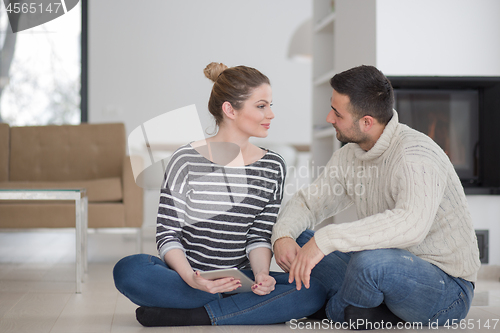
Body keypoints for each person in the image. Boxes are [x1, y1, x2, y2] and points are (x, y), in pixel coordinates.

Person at [113, 62, 326, 326]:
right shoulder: (185, 159)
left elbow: (258, 234)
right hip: (185, 277)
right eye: (261, 106)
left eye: (270, 105)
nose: (270, 114)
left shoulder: (273, 166)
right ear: (229, 109)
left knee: (312, 290)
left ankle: (196, 314)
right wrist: (192, 278)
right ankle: (237, 308)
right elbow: (168, 233)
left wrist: (261, 274)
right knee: (128, 270)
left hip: (239, 280)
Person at [272, 65, 480, 329]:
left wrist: (327, 239)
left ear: (366, 122)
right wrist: (283, 235)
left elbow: (410, 224)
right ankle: (361, 309)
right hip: (379, 268)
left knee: (369, 262)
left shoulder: (414, 154)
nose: (329, 118)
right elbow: (309, 202)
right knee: (301, 238)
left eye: (337, 113)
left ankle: (337, 309)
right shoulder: (350, 154)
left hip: (446, 289)